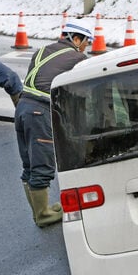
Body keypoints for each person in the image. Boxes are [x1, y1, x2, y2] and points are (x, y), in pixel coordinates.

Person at [16, 21, 94, 227]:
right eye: (86, 42)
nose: (86, 47)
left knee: (29, 163)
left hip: (23, 108)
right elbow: (78, 95)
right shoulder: (77, 58)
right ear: (76, 39)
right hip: (40, 111)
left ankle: (38, 212)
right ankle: (43, 215)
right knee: (43, 162)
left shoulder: (42, 50)